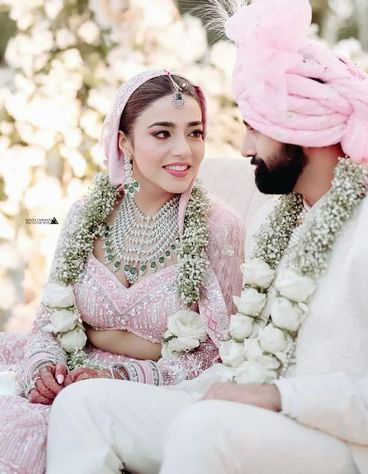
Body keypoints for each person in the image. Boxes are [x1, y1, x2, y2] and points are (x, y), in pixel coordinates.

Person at [46, 1, 368, 473]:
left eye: (256, 129)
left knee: (205, 428)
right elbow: (242, 359)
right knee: (85, 406)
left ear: (301, 129)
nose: (245, 147)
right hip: (260, 422)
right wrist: (160, 383)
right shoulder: (276, 221)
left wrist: (276, 396)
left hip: (362, 447)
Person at [0, 69, 244, 474]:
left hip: (151, 392)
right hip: (68, 375)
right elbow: (47, 323)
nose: (184, 150)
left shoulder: (219, 226)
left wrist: (118, 374)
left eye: (195, 133)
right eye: (162, 133)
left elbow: (223, 355)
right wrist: (44, 370)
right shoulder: (86, 214)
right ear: (124, 142)